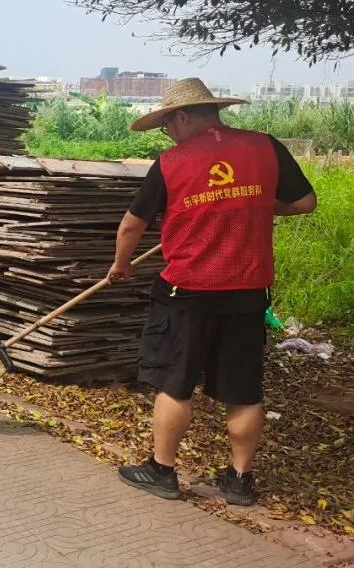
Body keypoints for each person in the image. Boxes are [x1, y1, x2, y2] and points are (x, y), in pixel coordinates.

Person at [108, 78, 317, 506]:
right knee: (243, 390)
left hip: (187, 291)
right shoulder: (265, 146)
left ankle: (162, 470)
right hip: (248, 290)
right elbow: (304, 203)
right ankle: (240, 480)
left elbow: (132, 225)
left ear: (183, 117)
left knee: (174, 383)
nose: (168, 134)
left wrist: (121, 265)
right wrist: (247, 204)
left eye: (167, 125)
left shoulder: (172, 162)